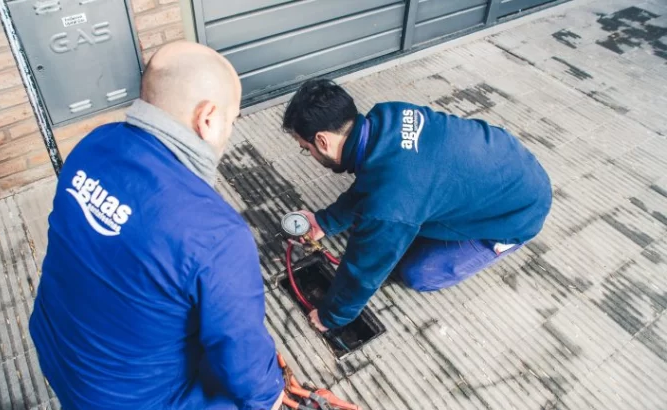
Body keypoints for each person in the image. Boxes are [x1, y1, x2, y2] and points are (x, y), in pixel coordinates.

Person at [29, 41, 284, 410]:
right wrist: (271, 396)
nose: (230, 131)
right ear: (208, 118)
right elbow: (242, 358)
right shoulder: (216, 234)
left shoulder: (93, 144)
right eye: (232, 119)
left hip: (54, 349)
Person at [283, 79, 552, 331]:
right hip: (512, 166)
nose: (310, 154)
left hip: (518, 213)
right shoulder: (388, 117)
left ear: (322, 141)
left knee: (417, 273)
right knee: (393, 216)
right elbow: (373, 179)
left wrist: (333, 315)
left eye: (307, 148)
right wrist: (326, 221)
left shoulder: (391, 202)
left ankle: (502, 243)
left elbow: (364, 269)